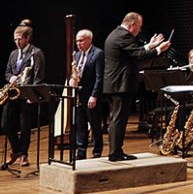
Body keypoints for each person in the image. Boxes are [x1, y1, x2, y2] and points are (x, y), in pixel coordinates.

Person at [103, 12, 171, 161]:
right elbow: (138, 55)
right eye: (139, 27)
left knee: (117, 118)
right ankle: (115, 153)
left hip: (114, 84)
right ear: (132, 25)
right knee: (118, 119)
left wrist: (150, 45)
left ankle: (116, 151)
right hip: (120, 85)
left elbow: (132, 51)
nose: (140, 30)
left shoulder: (116, 34)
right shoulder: (123, 36)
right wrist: (159, 50)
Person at [1, 25, 45, 168]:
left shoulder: (36, 53)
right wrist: (11, 78)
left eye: (19, 39)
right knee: (5, 124)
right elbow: (7, 72)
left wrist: (32, 95)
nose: (17, 42)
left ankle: (23, 155)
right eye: (15, 39)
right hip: (12, 93)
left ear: (27, 38)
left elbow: (39, 77)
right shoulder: (13, 53)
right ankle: (16, 151)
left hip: (26, 95)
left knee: (25, 126)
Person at [73, 29, 104, 160]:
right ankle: (81, 152)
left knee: (95, 125)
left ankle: (97, 152)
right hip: (79, 95)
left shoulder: (98, 54)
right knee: (80, 125)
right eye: (77, 41)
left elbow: (99, 77)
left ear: (89, 39)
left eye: (81, 40)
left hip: (91, 95)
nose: (78, 43)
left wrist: (94, 96)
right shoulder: (76, 55)